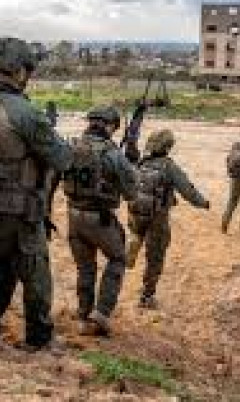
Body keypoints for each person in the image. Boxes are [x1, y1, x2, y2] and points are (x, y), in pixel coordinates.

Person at [0, 37, 72, 349]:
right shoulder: (23, 111)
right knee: (36, 275)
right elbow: (62, 159)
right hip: (17, 210)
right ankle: (38, 338)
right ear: (20, 71)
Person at [62, 106, 139, 336]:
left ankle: (84, 312)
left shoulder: (71, 146)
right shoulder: (112, 154)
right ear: (109, 126)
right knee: (117, 259)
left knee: (85, 267)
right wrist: (130, 164)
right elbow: (132, 193)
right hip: (100, 219)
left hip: (73, 215)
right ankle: (101, 314)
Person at [127, 129, 210, 309]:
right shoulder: (168, 167)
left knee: (138, 235)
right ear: (167, 147)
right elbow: (187, 190)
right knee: (155, 256)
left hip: (136, 213)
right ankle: (147, 296)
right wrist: (203, 203)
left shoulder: (141, 163)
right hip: (157, 218)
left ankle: (133, 242)